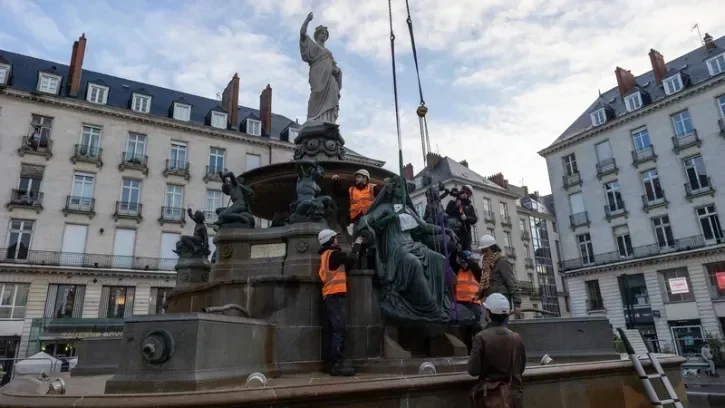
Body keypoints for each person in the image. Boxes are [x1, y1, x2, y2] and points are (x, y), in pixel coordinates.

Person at [467, 293, 526, 408]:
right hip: (513, 398)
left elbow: (473, 370)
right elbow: (521, 368)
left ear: (488, 313)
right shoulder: (516, 337)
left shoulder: (480, 338)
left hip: (491, 398)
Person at [317, 228, 363, 376]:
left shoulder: (326, 255)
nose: (337, 240)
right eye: (335, 238)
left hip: (329, 295)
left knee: (332, 331)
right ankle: (337, 365)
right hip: (335, 296)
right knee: (339, 330)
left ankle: (330, 364)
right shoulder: (334, 255)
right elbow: (351, 259)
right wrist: (358, 244)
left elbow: (345, 267)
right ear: (330, 240)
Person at [474, 235, 522, 323]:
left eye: (486, 250)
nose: (484, 253)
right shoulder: (486, 266)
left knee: (500, 327)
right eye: (483, 251)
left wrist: (517, 304)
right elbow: (486, 285)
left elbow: (512, 283)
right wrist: (478, 295)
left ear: (493, 249)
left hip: (502, 303)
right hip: (491, 302)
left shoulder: (502, 262)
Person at [453, 250, 484, 352]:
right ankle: (470, 351)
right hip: (461, 303)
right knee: (464, 329)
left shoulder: (475, 271)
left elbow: (475, 266)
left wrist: (467, 258)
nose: (463, 265)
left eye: (464, 262)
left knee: (476, 327)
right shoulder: (459, 271)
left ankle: (480, 350)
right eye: (461, 263)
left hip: (473, 303)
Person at [444, 185, 478, 251]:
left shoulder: (469, 207)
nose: (465, 194)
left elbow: (474, 219)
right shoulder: (452, 203)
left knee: (466, 251)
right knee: (455, 250)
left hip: (465, 233)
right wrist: (455, 206)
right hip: (454, 231)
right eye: (463, 192)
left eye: (467, 193)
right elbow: (447, 212)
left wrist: (466, 218)